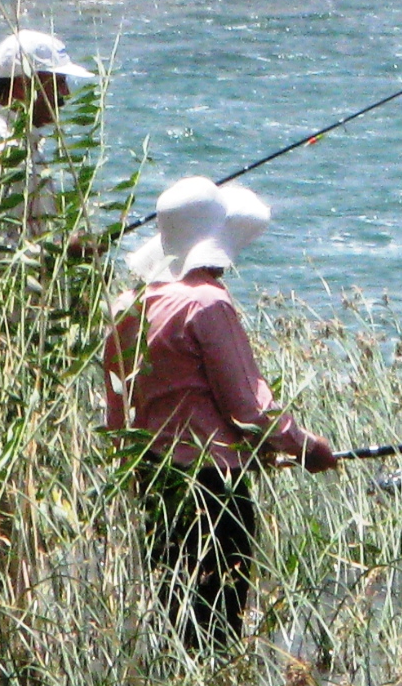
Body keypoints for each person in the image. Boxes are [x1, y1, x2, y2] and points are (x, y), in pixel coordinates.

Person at [101, 176, 338, 652]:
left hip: (154, 479)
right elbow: (249, 407)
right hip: (212, 489)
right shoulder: (208, 303)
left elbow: (117, 410)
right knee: (216, 625)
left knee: (176, 614)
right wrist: (306, 448)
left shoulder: (129, 305)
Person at [0, 28, 97, 244]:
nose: (66, 92)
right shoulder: (5, 153)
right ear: (23, 87)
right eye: (58, 82)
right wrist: (64, 251)